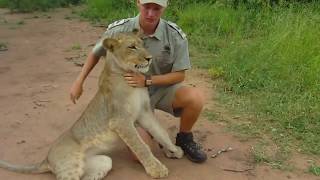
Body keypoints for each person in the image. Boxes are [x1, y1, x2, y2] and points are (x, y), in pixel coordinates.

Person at [69, 0, 207, 163]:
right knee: (139, 154)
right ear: (138, 3)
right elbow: (96, 53)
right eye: (146, 7)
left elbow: (179, 75)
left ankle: (184, 138)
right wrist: (79, 81)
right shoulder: (119, 30)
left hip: (159, 89)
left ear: (165, 7)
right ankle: (150, 133)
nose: (151, 13)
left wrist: (147, 80)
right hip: (129, 96)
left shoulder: (174, 35)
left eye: (156, 8)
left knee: (195, 98)